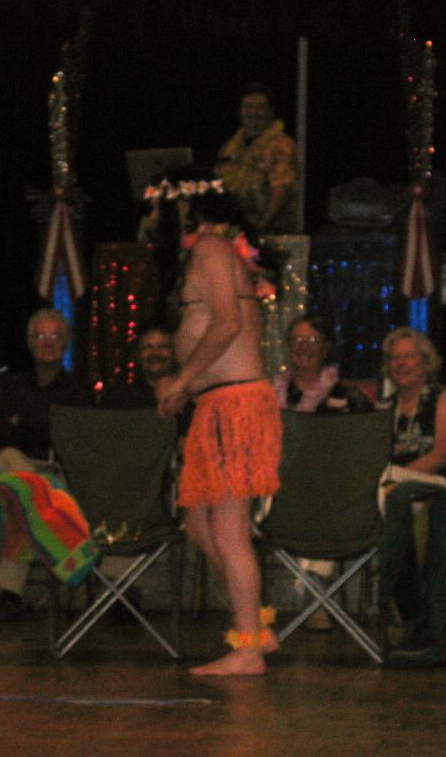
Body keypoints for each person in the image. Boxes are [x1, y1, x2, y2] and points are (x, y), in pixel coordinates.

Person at [153, 172, 282, 676]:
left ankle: (248, 649)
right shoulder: (219, 250)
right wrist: (187, 386)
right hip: (221, 403)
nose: (152, 219)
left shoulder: (210, 248)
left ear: (183, 208)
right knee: (200, 523)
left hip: (233, 404)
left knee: (228, 529)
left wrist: (183, 379)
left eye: (157, 208)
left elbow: (228, 324)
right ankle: (256, 628)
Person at [0, 308, 92, 616]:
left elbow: (74, 439)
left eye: (55, 336)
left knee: (16, 499)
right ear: (30, 342)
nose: (48, 342)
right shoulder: (11, 386)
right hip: (21, 467)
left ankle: (8, 592)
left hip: (59, 474)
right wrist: (43, 424)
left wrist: (23, 422)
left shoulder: (79, 389)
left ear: (66, 344)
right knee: (9, 461)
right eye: (41, 335)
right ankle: (40, 517)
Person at [272, 313, 374, 630]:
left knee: (324, 496)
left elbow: (365, 452)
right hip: (280, 490)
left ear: (326, 347)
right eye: (298, 340)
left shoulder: (348, 396)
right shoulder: (270, 396)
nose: (304, 346)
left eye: (312, 340)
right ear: (288, 347)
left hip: (337, 492)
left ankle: (314, 593)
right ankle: (315, 596)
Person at [378, 327, 446, 667]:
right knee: (396, 499)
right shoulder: (384, 407)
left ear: (425, 362)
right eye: (395, 358)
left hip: (441, 488)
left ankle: (415, 617)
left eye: (408, 356)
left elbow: (444, 454)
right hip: (393, 493)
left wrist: (397, 477)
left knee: (400, 494)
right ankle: (407, 616)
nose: (401, 364)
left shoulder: (444, 399)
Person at [215, 83, 302, 234]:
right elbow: (218, 185)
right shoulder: (230, 147)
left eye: (260, 107)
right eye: (248, 106)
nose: (253, 112)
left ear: (271, 111)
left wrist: (260, 229)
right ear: (240, 111)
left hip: (272, 233)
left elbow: (282, 191)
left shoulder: (283, 146)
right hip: (233, 230)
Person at [99, 326, 176, 409]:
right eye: (148, 347)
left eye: (163, 347)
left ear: (174, 353)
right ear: (138, 355)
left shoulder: (184, 397)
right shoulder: (117, 398)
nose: (155, 353)